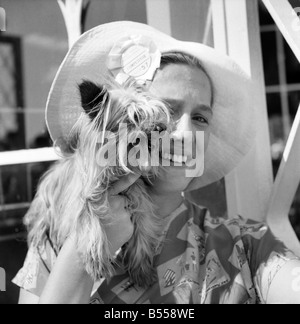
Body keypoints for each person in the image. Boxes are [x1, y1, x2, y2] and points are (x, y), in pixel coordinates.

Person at [13, 21, 300, 304]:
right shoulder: (54, 238)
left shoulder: (246, 248)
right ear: (120, 121)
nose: (187, 134)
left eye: (200, 118)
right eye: (167, 111)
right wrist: (85, 243)